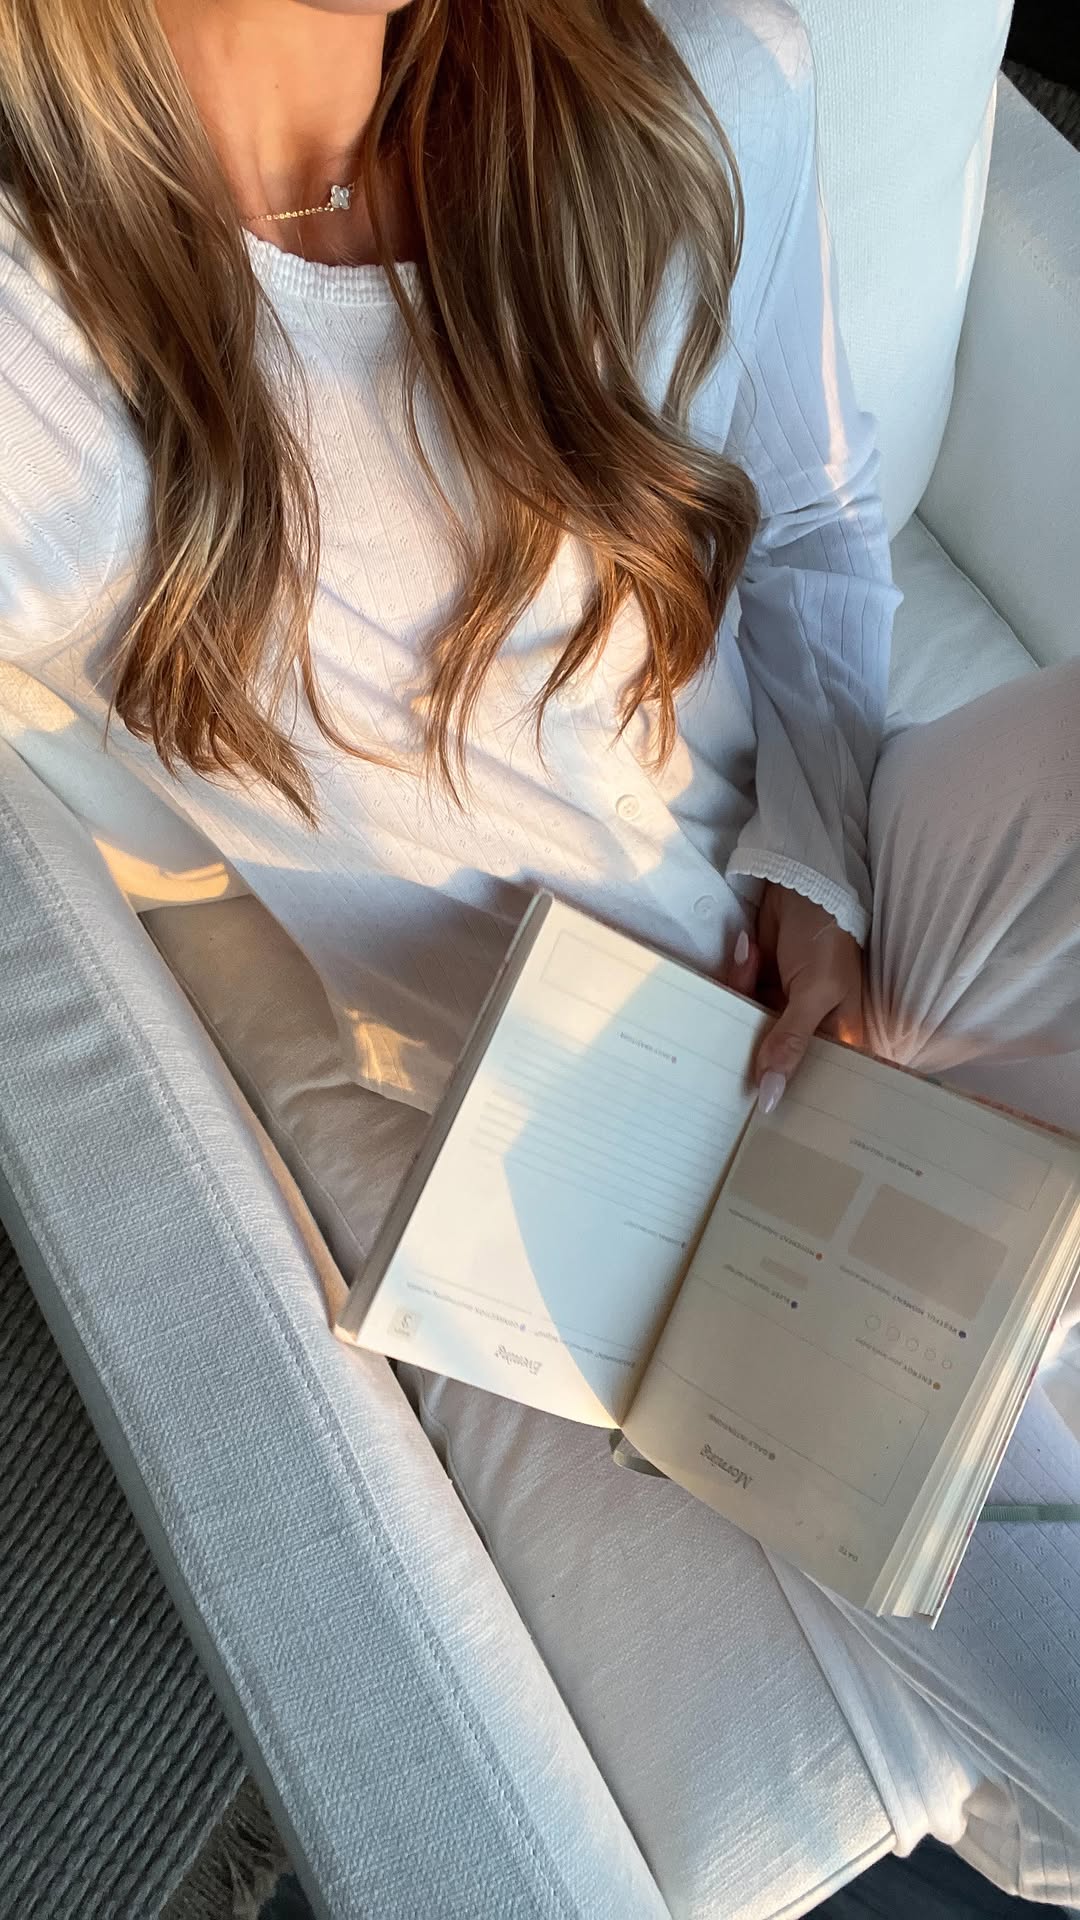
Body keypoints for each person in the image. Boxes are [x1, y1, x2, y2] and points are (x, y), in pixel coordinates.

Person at [1, 0, 1078, 1908]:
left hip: (858, 902)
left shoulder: (692, 81)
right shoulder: (47, 343)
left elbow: (814, 523)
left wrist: (820, 860)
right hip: (574, 1111)